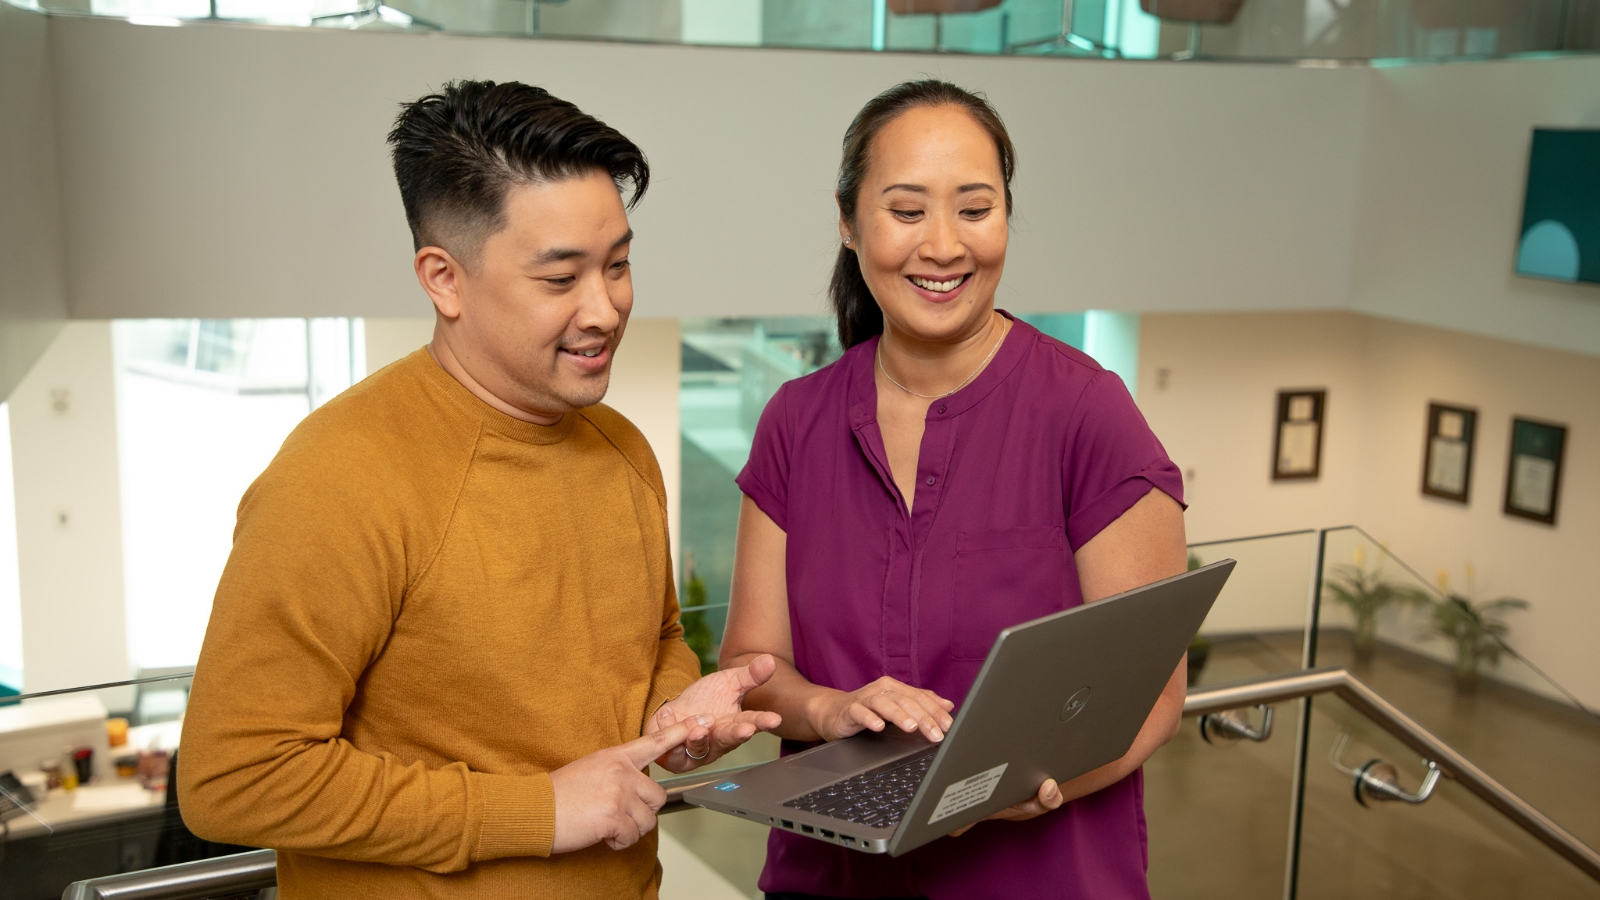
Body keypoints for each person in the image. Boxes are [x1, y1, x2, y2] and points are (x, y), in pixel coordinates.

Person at [179, 80, 779, 900]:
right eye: (560, 278)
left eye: (619, 265)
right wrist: (537, 811)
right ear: (444, 279)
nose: (605, 309)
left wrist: (672, 719)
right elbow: (234, 777)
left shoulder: (623, 448)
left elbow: (656, 640)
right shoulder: (339, 476)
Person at [719, 80, 1189, 900]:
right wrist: (829, 710)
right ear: (847, 222)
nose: (943, 246)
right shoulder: (796, 420)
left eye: (975, 209)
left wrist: (1005, 791)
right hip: (832, 877)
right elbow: (755, 669)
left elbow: (1149, 693)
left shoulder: (1087, 412)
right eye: (907, 211)